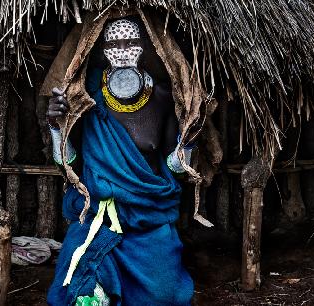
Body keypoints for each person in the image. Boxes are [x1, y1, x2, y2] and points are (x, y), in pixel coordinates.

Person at [46, 18, 200, 306]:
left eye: (130, 41)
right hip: (97, 219)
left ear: (144, 47)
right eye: (114, 43)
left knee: (165, 298)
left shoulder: (164, 98)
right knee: (83, 297)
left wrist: (188, 141)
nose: (122, 50)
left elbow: (174, 169)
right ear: (103, 51)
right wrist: (57, 126)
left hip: (148, 220)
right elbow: (68, 164)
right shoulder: (85, 97)